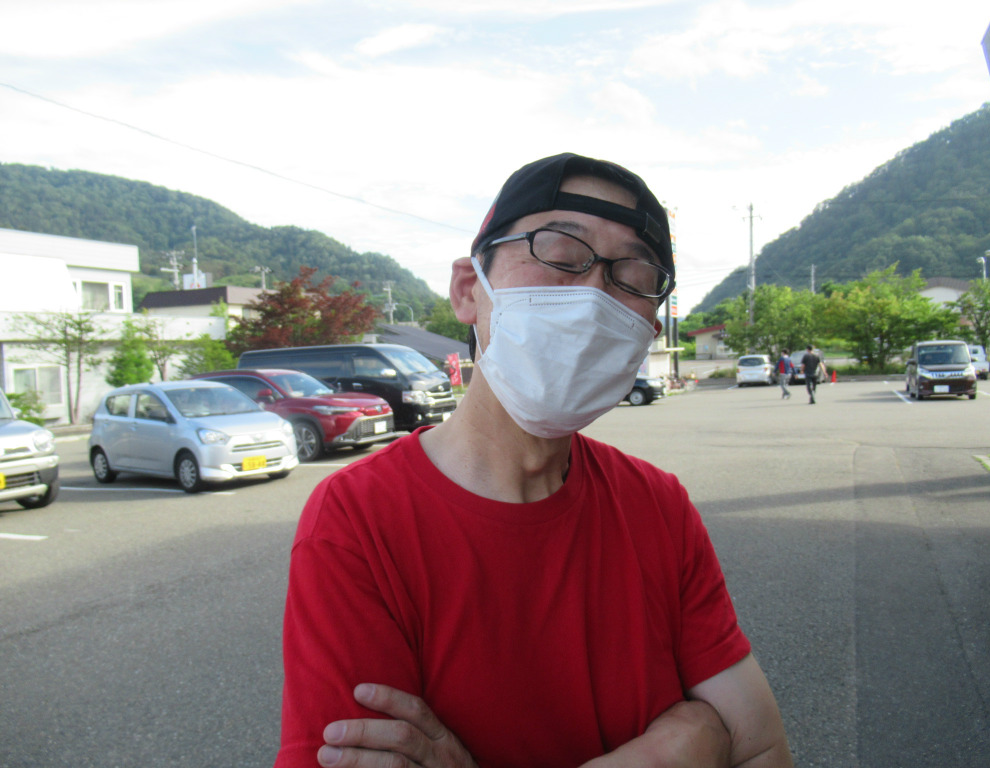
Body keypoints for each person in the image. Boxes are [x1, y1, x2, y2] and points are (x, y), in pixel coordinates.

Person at [274, 153, 792, 768]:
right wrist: (680, 747)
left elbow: (763, 750)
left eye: (633, 277)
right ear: (469, 290)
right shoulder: (359, 521)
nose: (594, 296)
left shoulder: (658, 505)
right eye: (560, 254)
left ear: (650, 328)